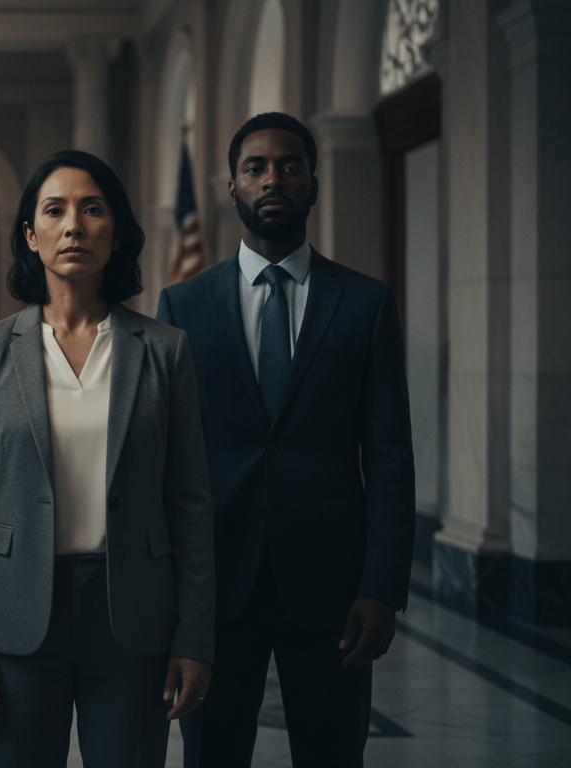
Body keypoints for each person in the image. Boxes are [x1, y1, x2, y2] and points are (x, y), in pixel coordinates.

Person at [157, 112, 415, 768]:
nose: (273, 178)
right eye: (256, 167)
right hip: (217, 588)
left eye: (289, 165)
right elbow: (165, 458)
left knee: (333, 756)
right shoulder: (183, 307)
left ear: (313, 184)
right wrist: (170, 594)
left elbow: (388, 454)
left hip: (333, 589)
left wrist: (381, 587)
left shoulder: (365, 303)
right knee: (212, 756)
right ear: (232, 188)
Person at [0, 149, 215, 767]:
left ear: (116, 233)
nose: (74, 225)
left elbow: (191, 504)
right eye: (55, 210)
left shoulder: (165, 351)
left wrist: (195, 636)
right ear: (30, 235)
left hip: (134, 615)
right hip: (18, 612)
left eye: (93, 210)